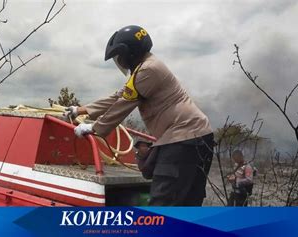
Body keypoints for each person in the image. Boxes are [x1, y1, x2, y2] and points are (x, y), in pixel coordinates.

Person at [65, 25, 214, 206]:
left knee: (163, 202)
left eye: (120, 57)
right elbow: (117, 96)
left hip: (182, 139)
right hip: (196, 137)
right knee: (188, 203)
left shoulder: (147, 71)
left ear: (130, 54)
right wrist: (81, 110)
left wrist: (94, 128)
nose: (120, 62)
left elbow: (123, 104)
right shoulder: (146, 68)